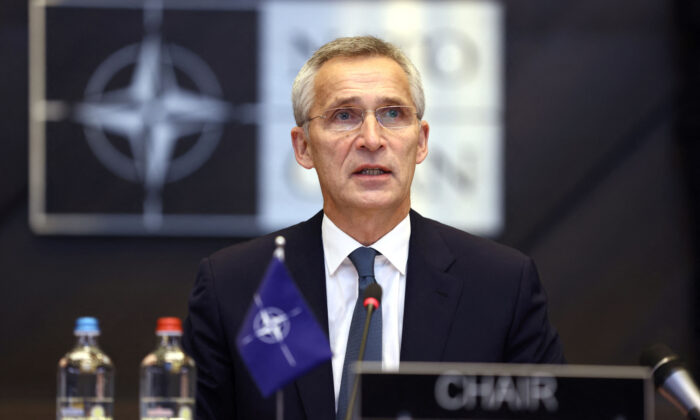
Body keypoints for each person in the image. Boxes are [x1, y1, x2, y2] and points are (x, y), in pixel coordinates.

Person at [183, 35, 564, 420]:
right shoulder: (239, 285)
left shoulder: (500, 285)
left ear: (421, 142)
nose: (371, 139)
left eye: (393, 114)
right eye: (344, 116)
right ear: (303, 148)